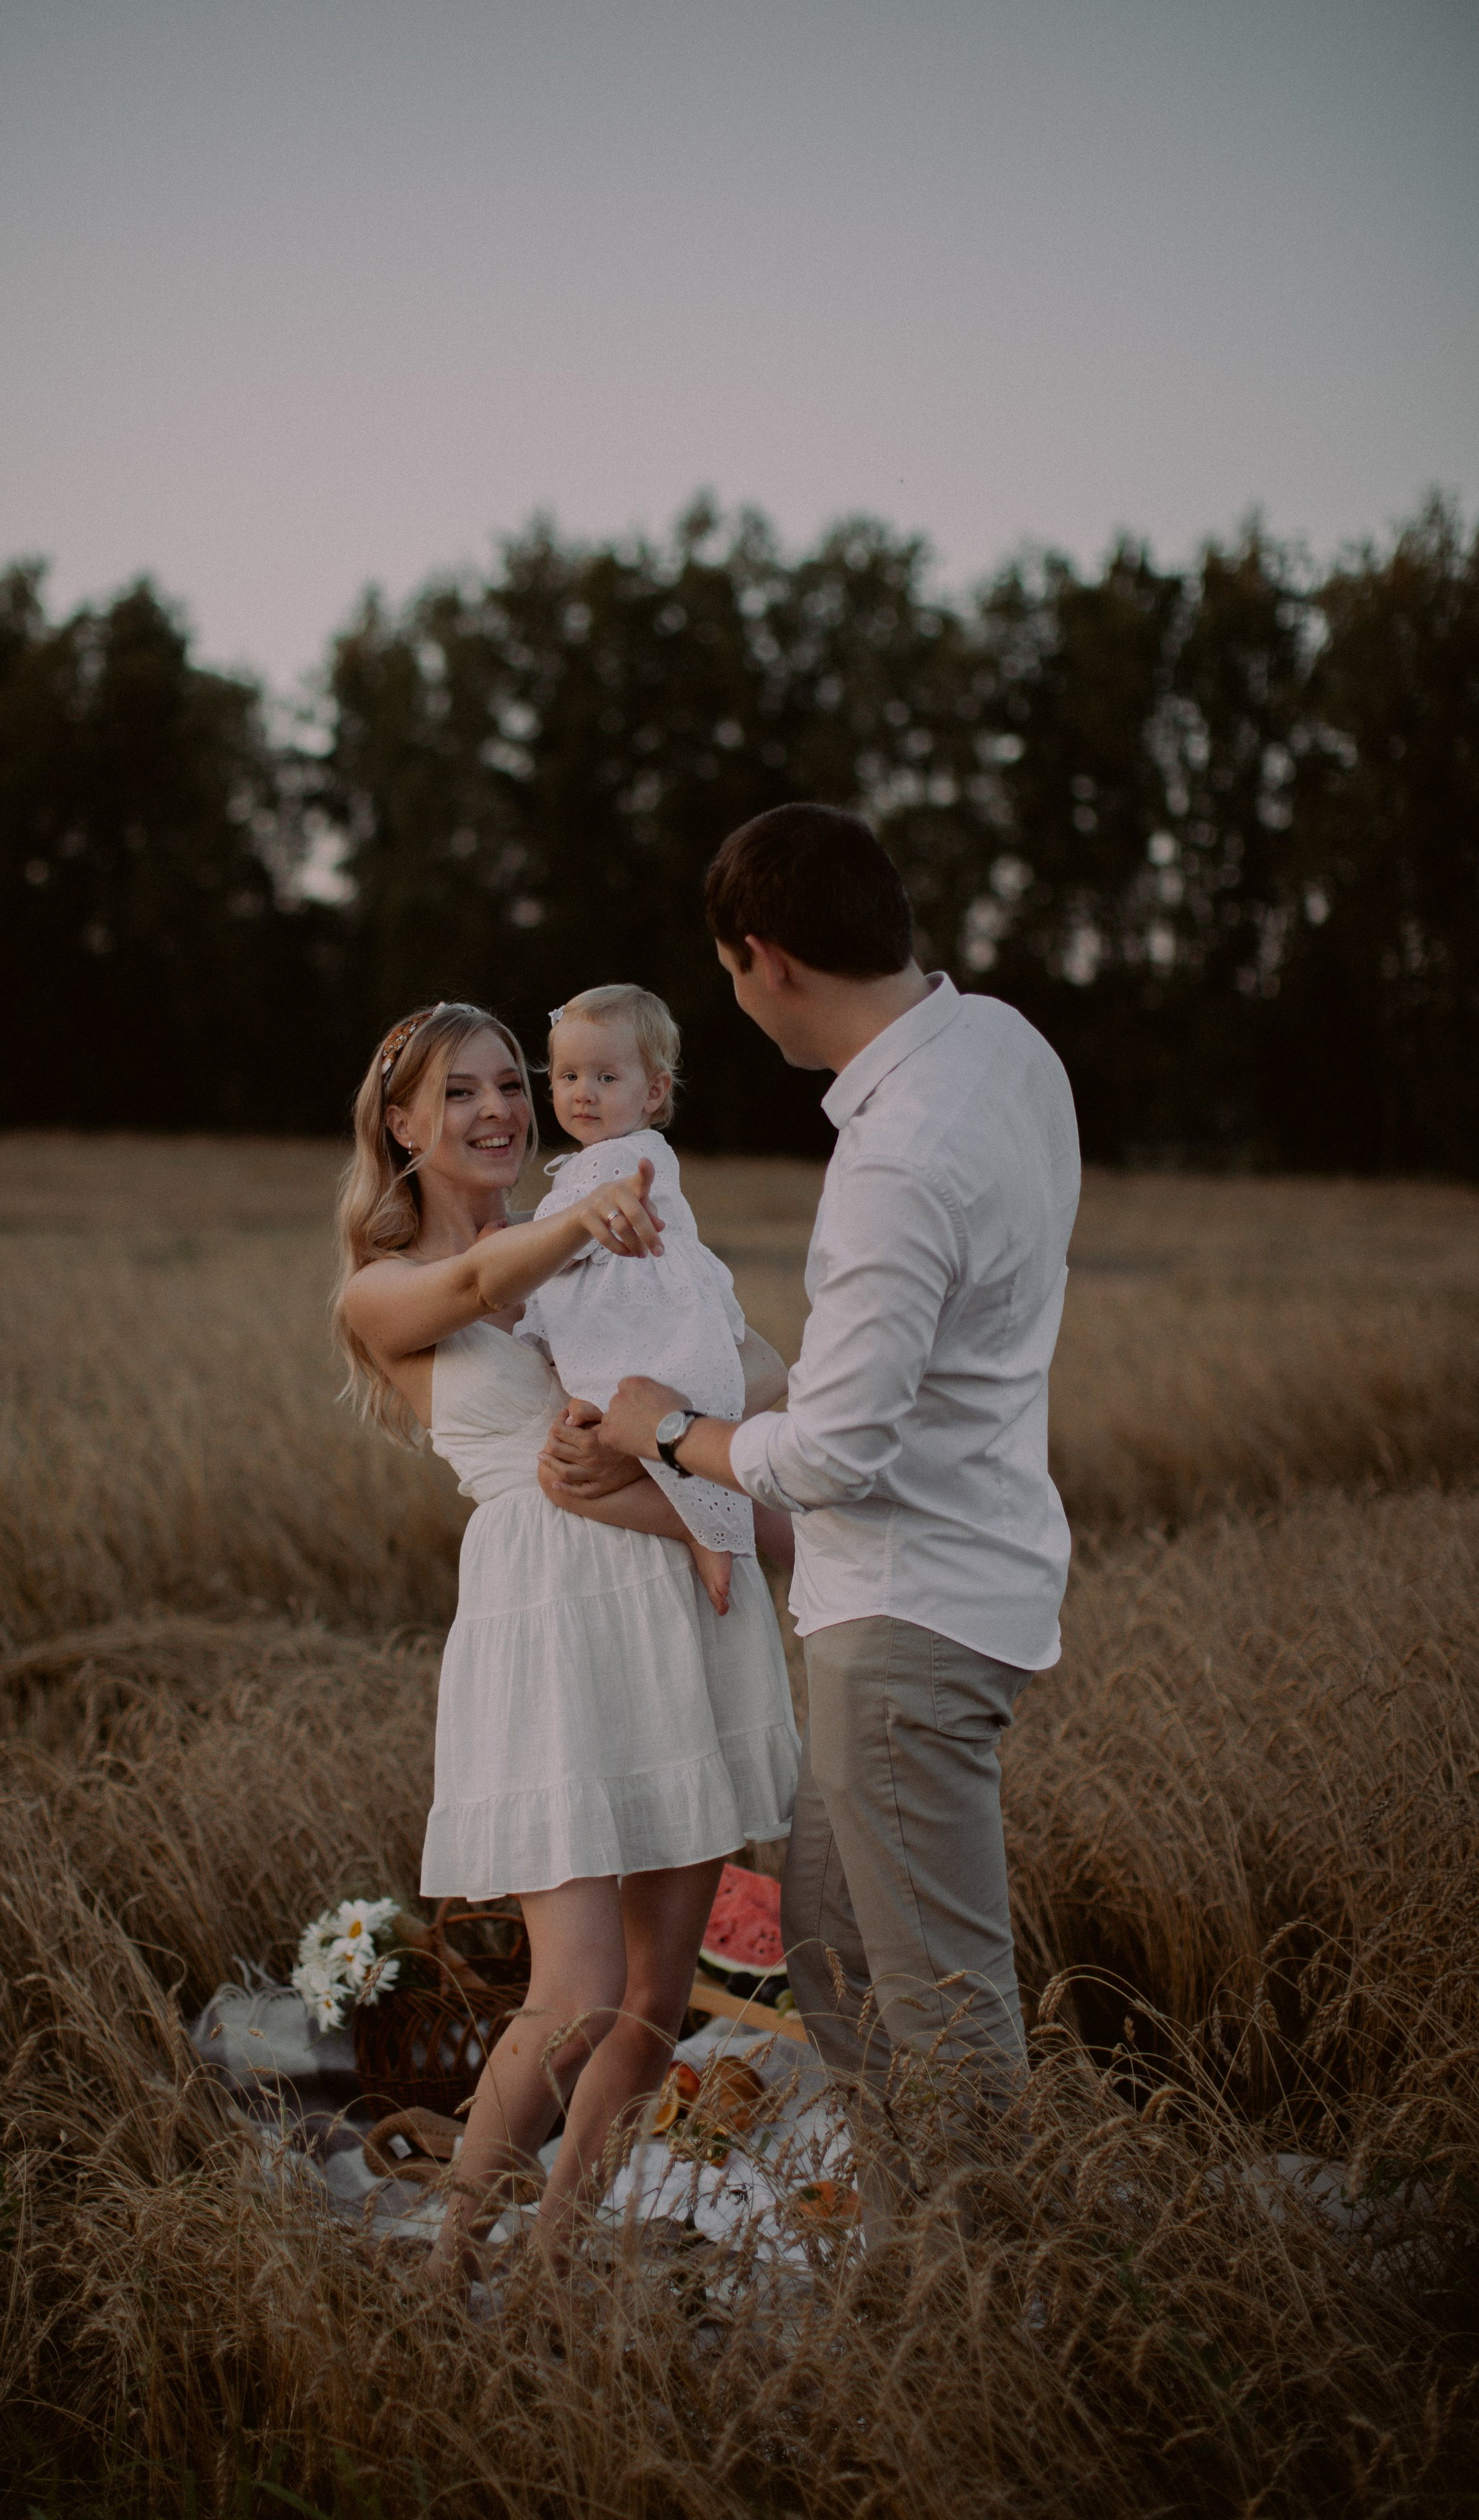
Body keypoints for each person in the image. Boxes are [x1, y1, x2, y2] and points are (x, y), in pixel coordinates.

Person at [587, 803, 1081, 2232]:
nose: (734, 1002)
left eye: (729, 975)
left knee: (935, 1999)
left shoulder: (892, 1158)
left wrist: (663, 1430)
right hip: (961, 1562)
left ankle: (986, 2299)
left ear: (766, 960)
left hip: (905, 1609)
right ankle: (910, 2232)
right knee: (831, 1944)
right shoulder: (1002, 1046)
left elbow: (841, 1455)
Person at [333, 1000, 799, 2285]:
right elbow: (484, 1283)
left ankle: (550, 2253)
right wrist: (582, 1225)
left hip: (676, 1607)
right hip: (548, 1630)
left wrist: (675, 1392)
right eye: (462, 1093)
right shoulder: (389, 1289)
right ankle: (452, 2259)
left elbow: (751, 1366)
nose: (499, 1111)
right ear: (404, 1125)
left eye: (509, 1086)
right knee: (577, 1986)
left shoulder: (615, 1245)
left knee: (656, 1998)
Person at [519, 983, 795, 1616]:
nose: (582, 1091)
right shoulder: (611, 1157)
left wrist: (510, 1243)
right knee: (599, 1458)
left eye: (606, 1076)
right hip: (647, 1325)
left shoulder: (618, 1161)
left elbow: (566, 1244)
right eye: (567, 1075)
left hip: (638, 1331)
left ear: (654, 1092)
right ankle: (708, 1523)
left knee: (566, 1480)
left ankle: (703, 1529)